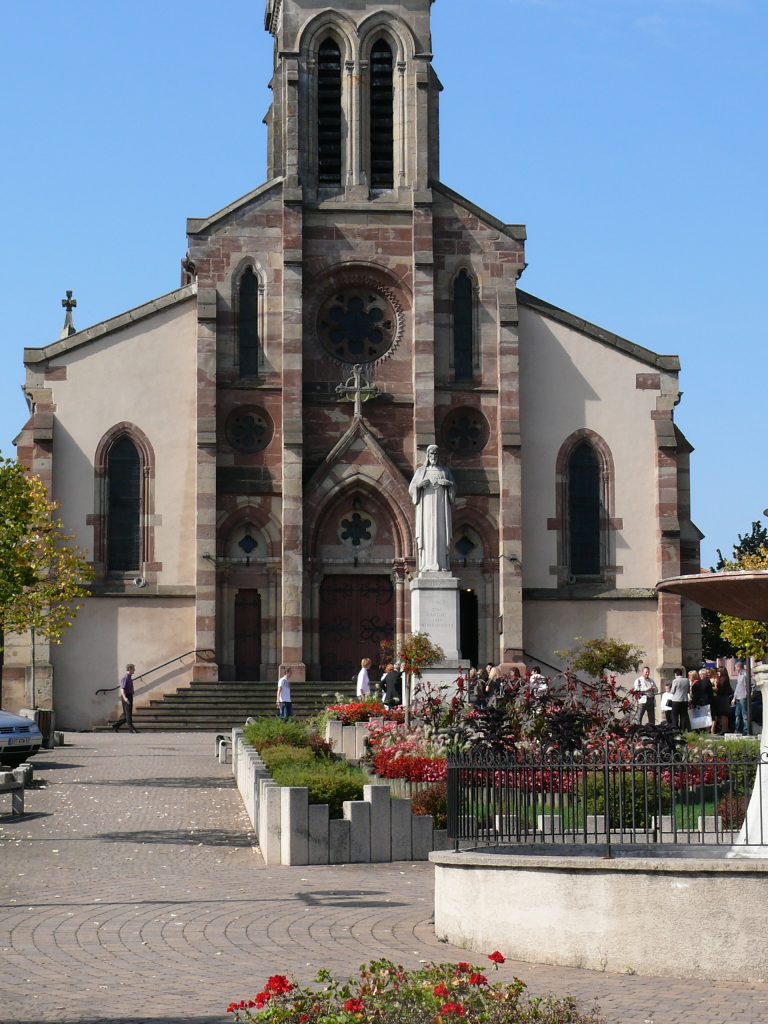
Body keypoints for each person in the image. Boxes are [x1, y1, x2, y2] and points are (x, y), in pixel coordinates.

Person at [408, 445, 456, 572]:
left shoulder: (444, 471)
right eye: (431, 454)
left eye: (435, 454)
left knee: (440, 532)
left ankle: (442, 564)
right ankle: (427, 564)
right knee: (428, 533)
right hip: (426, 509)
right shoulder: (420, 472)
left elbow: (453, 488)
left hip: (441, 508)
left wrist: (448, 484)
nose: (433, 456)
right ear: (428, 456)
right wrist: (419, 486)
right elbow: (411, 489)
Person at [112, 663, 138, 733]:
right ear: (129, 669)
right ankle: (131, 729)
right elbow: (122, 689)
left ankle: (115, 725)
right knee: (128, 714)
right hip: (126, 696)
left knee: (126, 715)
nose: (134, 670)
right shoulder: (125, 677)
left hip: (129, 696)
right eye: (133, 669)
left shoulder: (129, 677)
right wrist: (125, 698)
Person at [712, 667, 733, 735]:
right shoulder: (726, 678)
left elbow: (719, 689)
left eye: (718, 671)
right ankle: (724, 728)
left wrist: (715, 684)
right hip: (725, 697)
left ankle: (724, 729)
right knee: (723, 714)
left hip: (722, 698)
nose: (718, 673)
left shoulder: (722, 679)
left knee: (723, 714)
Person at [732, 660, 750, 736]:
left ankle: (746, 730)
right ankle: (737, 730)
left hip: (743, 696)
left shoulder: (745, 674)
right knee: (737, 715)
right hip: (738, 697)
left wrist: (747, 694)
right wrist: (734, 698)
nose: (735, 669)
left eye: (736, 667)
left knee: (744, 715)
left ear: (739, 667)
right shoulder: (739, 675)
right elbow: (737, 688)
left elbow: (750, 685)